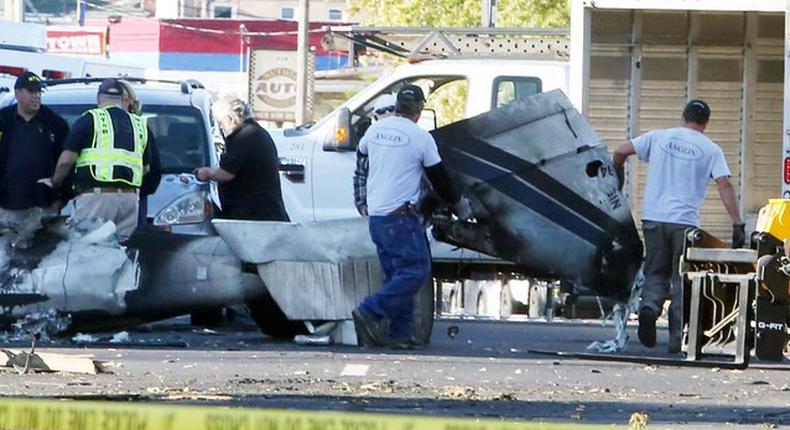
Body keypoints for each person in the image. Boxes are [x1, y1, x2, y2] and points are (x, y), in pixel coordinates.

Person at [613, 99, 744, 354]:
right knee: (681, 278)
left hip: (653, 219)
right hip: (684, 224)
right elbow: (724, 185)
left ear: (682, 116)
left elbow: (619, 151)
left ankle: (649, 307)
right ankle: (676, 340)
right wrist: (738, 223)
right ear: (705, 123)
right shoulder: (710, 149)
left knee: (655, 272)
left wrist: (619, 174)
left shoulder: (658, 137)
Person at [352, 85, 471, 349]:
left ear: (397, 107)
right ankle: (370, 310)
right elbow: (440, 181)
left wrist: (361, 202)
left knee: (396, 276)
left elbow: (360, 165)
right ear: (419, 110)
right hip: (400, 219)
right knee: (416, 271)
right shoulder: (420, 138)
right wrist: (460, 206)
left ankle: (400, 335)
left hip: (378, 219)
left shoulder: (374, 131)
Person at [40, 78, 155, 242]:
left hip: (96, 199)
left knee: (87, 251)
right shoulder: (139, 124)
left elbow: (66, 160)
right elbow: (146, 168)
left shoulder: (90, 119)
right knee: (121, 254)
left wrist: (56, 182)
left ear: (99, 98)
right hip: (129, 201)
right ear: (122, 100)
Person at [194, 94, 289, 222]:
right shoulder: (255, 133)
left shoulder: (245, 137)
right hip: (258, 214)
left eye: (221, 122)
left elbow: (226, 174)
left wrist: (205, 172)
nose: (221, 127)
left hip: (254, 217)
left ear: (231, 118)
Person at [0, 72, 69, 214]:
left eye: (39, 91)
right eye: (31, 91)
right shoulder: (3, 119)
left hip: (43, 206)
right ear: (18, 94)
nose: (36, 95)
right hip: (5, 205)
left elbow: (67, 162)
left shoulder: (55, 123)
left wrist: (60, 200)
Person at [116, 79, 161, 227]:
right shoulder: (91, 124)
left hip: (133, 197)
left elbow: (151, 170)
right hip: (132, 196)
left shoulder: (139, 129)